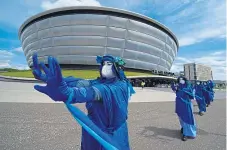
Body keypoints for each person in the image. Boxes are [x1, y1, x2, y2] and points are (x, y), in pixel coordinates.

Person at [32, 54, 135, 150]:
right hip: (93, 129)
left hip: (112, 133)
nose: (105, 67)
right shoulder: (98, 82)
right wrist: (45, 78)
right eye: (103, 64)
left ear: (117, 68)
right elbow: (80, 82)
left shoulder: (120, 86)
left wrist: (69, 94)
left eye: (109, 64)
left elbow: (95, 92)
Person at [171, 76, 196, 141]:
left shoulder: (189, 86)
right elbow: (175, 91)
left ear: (185, 80)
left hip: (186, 104)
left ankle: (186, 134)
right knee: (181, 118)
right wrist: (173, 86)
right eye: (179, 80)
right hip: (179, 104)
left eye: (182, 80)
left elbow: (192, 96)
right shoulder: (178, 87)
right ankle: (183, 128)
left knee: (187, 119)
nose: (181, 81)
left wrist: (186, 91)